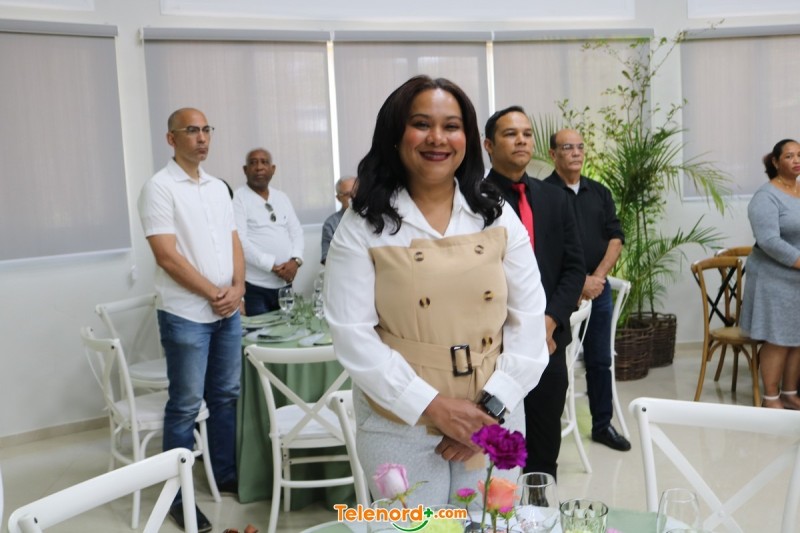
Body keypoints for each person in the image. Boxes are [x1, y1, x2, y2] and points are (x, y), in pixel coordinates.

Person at [323, 75, 549, 505]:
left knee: (492, 524)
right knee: (415, 528)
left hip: (494, 412)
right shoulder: (364, 223)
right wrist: (433, 407)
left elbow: (529, 318)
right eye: (422, 124)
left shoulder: (495, 213)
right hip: (398, 419)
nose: (437, 138)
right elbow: (351, 334)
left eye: (452, 126)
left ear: (467, 138)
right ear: (395, 134)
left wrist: (488, 410)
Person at [137, 108, 243, 532]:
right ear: (171, 138)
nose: (202, 138)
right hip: (186, 314)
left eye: (206, 130)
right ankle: (178, 499)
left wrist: (238, 287)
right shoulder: (159, 188)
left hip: (227, 310)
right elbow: (166, 255)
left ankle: (225, 475)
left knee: (226, 396)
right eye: (192, 131)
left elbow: (234, 241)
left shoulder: (217, 188)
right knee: (184, 407)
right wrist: (214, 293)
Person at [484, 106, 585, 479]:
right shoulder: (472, 201)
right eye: (510, 134)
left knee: (543, 452)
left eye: (527, 133)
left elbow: (574, 268)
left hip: (548, 343)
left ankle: (542, 508)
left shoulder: (554, 198)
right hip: (494, 347)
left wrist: (549, 320)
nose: (522, 140)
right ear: (488, 145)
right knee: (496, 454)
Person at [544, 129, 630, 452]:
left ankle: (602, 425)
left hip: (598, 289)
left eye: (580, 147)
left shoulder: (600, 193)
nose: (576, 153)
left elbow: (616, 238)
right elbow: (543, 248)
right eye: (568, 147)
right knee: (553, 360)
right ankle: (548, 428)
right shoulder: (543, 194)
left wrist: (596, 278)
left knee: (600, 359)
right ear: (553, 154)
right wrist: (579, 282)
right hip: (558, 293)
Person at [740, 139, 800, 409]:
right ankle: (771, 397)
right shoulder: (766, 196)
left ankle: (789, 393)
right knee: (777, 338)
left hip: (796, 280)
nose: (796, 160)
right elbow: (769, 241)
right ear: (775, 162)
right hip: (772, 278)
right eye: (789, 156)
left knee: (797, 337)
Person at [232, 148, 304, 315]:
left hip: (285, 285)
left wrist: (295, 261)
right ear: (245, 170)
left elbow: (296, 232)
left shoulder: (282, 197)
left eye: (264, 162)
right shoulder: (238, 198)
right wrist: (271, 265)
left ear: (273, 169)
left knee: (288, 328)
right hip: (255, 287)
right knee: (259, 331)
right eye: (253, 163)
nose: (259, 167)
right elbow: (239, 240)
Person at [320, 176, 357, 265]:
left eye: (356, 192)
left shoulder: (373, 218)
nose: (354, 197)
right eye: (348, 194)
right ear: (338, 198)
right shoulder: (331, 223)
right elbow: (326, 257)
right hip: (344, 268)